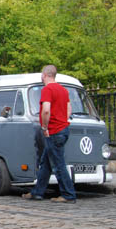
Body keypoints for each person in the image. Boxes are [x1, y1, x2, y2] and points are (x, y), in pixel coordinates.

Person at [22, 65, 77, 203]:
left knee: (58, 164)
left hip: (53, 131)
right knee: (45, 163)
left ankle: (68, 194)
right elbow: (68, 108)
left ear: (45, 75)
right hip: (63, 129)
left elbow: (46, 110)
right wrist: (62, 120)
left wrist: (45, 126)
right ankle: (37, 192)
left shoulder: (47, 89)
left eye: (42, 74)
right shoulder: (63, 90)